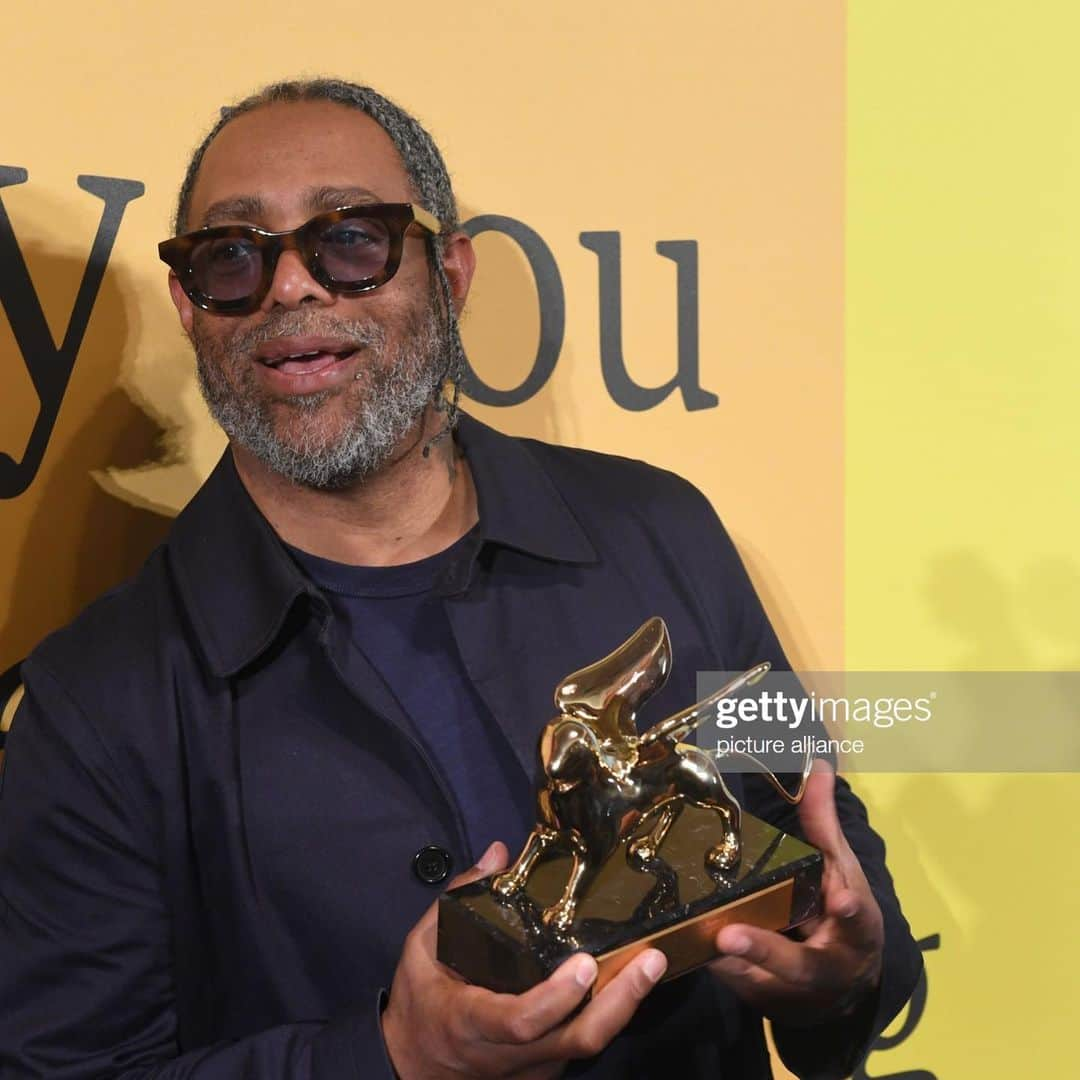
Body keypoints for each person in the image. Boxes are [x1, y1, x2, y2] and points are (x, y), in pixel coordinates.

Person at [0, 79, 922, 1079]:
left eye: (352, 239)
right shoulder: (96, 701)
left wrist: (848, 969)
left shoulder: (665, 533)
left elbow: (828, 866)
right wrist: (389, 1058)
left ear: (450, 272)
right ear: (189, 305)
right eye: (233, 256)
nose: (292, 288)